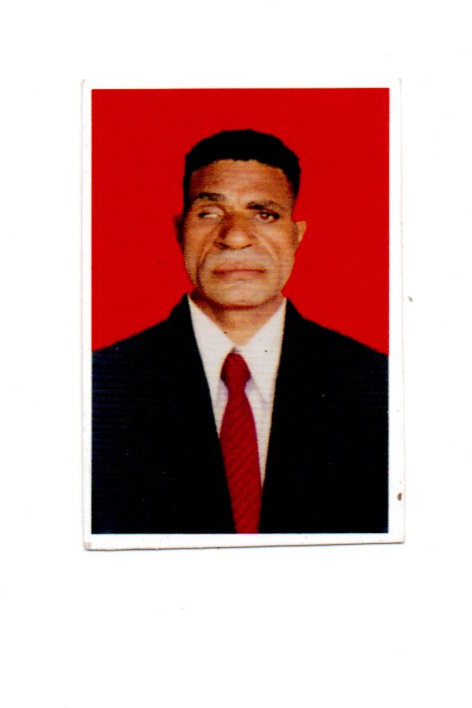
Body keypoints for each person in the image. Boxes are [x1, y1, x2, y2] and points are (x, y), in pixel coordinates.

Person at [92, 129, 388, 535]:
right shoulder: (99, 386)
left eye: (264, 214)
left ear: (296, 235)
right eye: (209, 213)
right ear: (180, 230)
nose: (234, 237)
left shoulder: (378, 386)